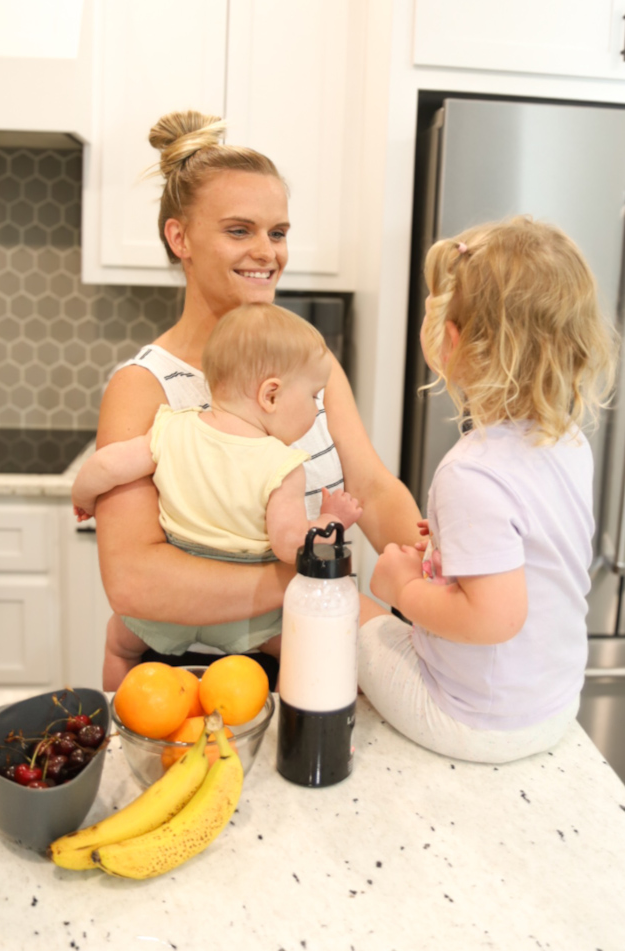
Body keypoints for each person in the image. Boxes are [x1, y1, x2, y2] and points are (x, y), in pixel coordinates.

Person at [93, 109, 423, 687]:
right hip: (187, 674)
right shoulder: (143, 387)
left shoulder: (306, 359)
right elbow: (134, 581)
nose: (267, 252)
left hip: (308, 646)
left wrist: (438, 578)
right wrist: (319, 575)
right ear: (180, 237)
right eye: (239, 230)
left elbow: (368, 485)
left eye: (278, 232)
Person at [358, 216, 618, 764]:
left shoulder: (470, 472)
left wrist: (402, 586)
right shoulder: (568, 440)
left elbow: (492, 620)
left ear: (451, 339)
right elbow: (534, 553)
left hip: (476, 723)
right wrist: (451, 548)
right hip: (553, 705)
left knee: (351, 615)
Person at [74, 304, 362, 687]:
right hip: (247, 620)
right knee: (300, 648)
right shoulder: (283, 465)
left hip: (165, 613)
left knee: (119, 645)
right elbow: (289, 544)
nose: (316, 408)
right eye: (313, 397)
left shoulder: (171, 430)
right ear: (271, 395)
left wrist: (84, 499)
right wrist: (329, 522)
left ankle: (118, 720)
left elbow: (104, 467)